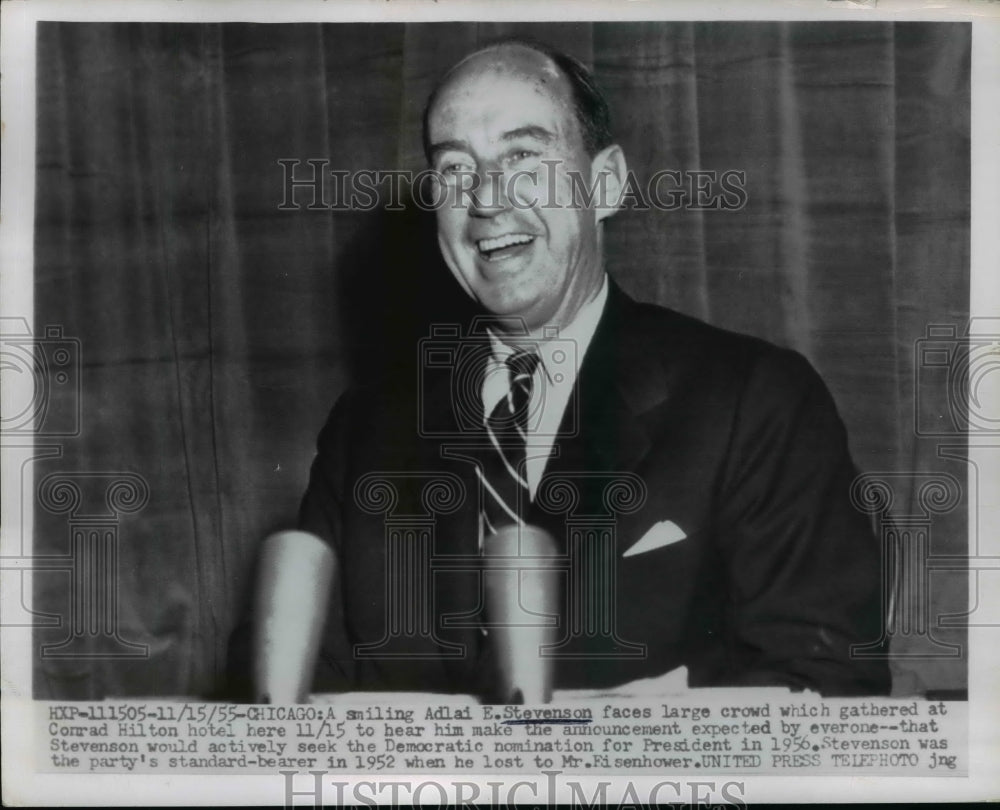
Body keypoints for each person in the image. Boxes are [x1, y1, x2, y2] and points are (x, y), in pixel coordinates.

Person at [232, 38, 891, 700]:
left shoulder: (753, 400)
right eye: (455, 169)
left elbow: (831, 689)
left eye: (522, 156)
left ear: (604, 185)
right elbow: (296, 703)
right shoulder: (366, 428)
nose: (487, 200)